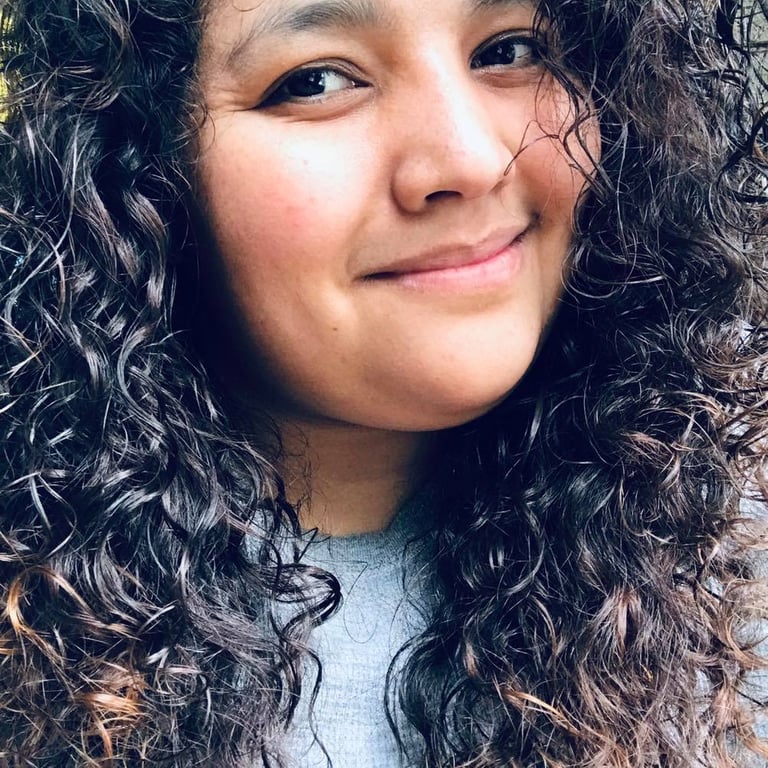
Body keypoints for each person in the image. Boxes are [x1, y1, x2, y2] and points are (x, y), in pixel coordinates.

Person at [0, 0, 766, 765]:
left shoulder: (730, 554)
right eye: (317, 80)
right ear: (130, 171)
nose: (470, 159)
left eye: (509, 49)